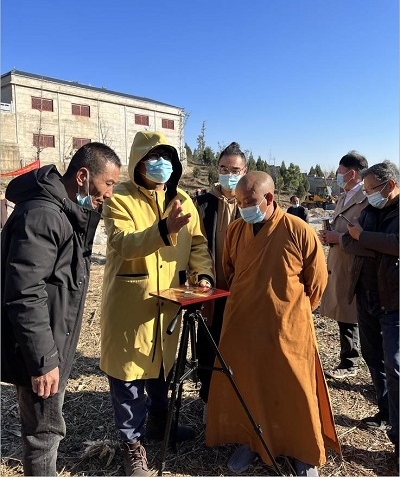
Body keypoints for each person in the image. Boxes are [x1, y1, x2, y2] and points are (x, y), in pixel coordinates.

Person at [205, 171, 341, 476]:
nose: (243, 208)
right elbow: (230, 270)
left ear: (268, 198)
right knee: (248, 382)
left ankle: (302, 449)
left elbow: (317, 282)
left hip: (287, 325)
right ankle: (252, 441)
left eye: (248, 202)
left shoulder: (298, 229)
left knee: (294, 385)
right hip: (244, 321)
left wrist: (291, 310)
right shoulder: (236, 229)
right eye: (239, 202)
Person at [1, 143, 121, 476]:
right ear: (83, 176)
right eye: (108, 184)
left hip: (52, 344)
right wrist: (44, 361)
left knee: (46, 429)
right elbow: (25, 294)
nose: (109, 194)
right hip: (41, 351)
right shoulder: (43, 215)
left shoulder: (65, 212)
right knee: (44, 434)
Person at [100, 131, 214, 477]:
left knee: (163, 368)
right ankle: (132, 446)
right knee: (129, 375)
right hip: (132, 303)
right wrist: (163, 229)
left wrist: (202, 275)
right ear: (138, 162)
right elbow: (124, 243)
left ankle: (160, 424)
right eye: (153, 157)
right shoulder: (119, 197)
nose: (160, 164)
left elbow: (197, 243)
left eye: (166, 157)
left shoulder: (182, 199)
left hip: (170, 302)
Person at [341, 160, 399, 456]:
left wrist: (364, 238)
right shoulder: (370, 210)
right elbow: (346, 241)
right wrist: (378, 246)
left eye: (371, 189)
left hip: (394, 300)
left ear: (390, 186)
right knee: (373, 357)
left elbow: (397, 243)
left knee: (395, 365)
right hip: (366, 295)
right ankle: (385, 411)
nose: (367, 194)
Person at [194, 142, 247, 412]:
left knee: (239, 347)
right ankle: (208, 399)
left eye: (235, 170)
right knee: (208, 344)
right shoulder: (202, 203)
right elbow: (195, 246)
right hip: (211, 290)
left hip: (242, 291)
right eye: (224, 168)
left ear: (245, 171)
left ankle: (237, 402)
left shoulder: (250, 204)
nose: (229, 174)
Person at [319, 151, 368, 379]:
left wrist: (338, 238)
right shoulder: (343, 197)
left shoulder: (366, 199)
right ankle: (348, 359)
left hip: (354, 263)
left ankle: (352, 362)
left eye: (340, 172)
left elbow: (365, 235)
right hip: (339, 261)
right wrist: (329, 236)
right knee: (343, 312)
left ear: (352, 173)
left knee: (353, 314)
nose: (337, 176)